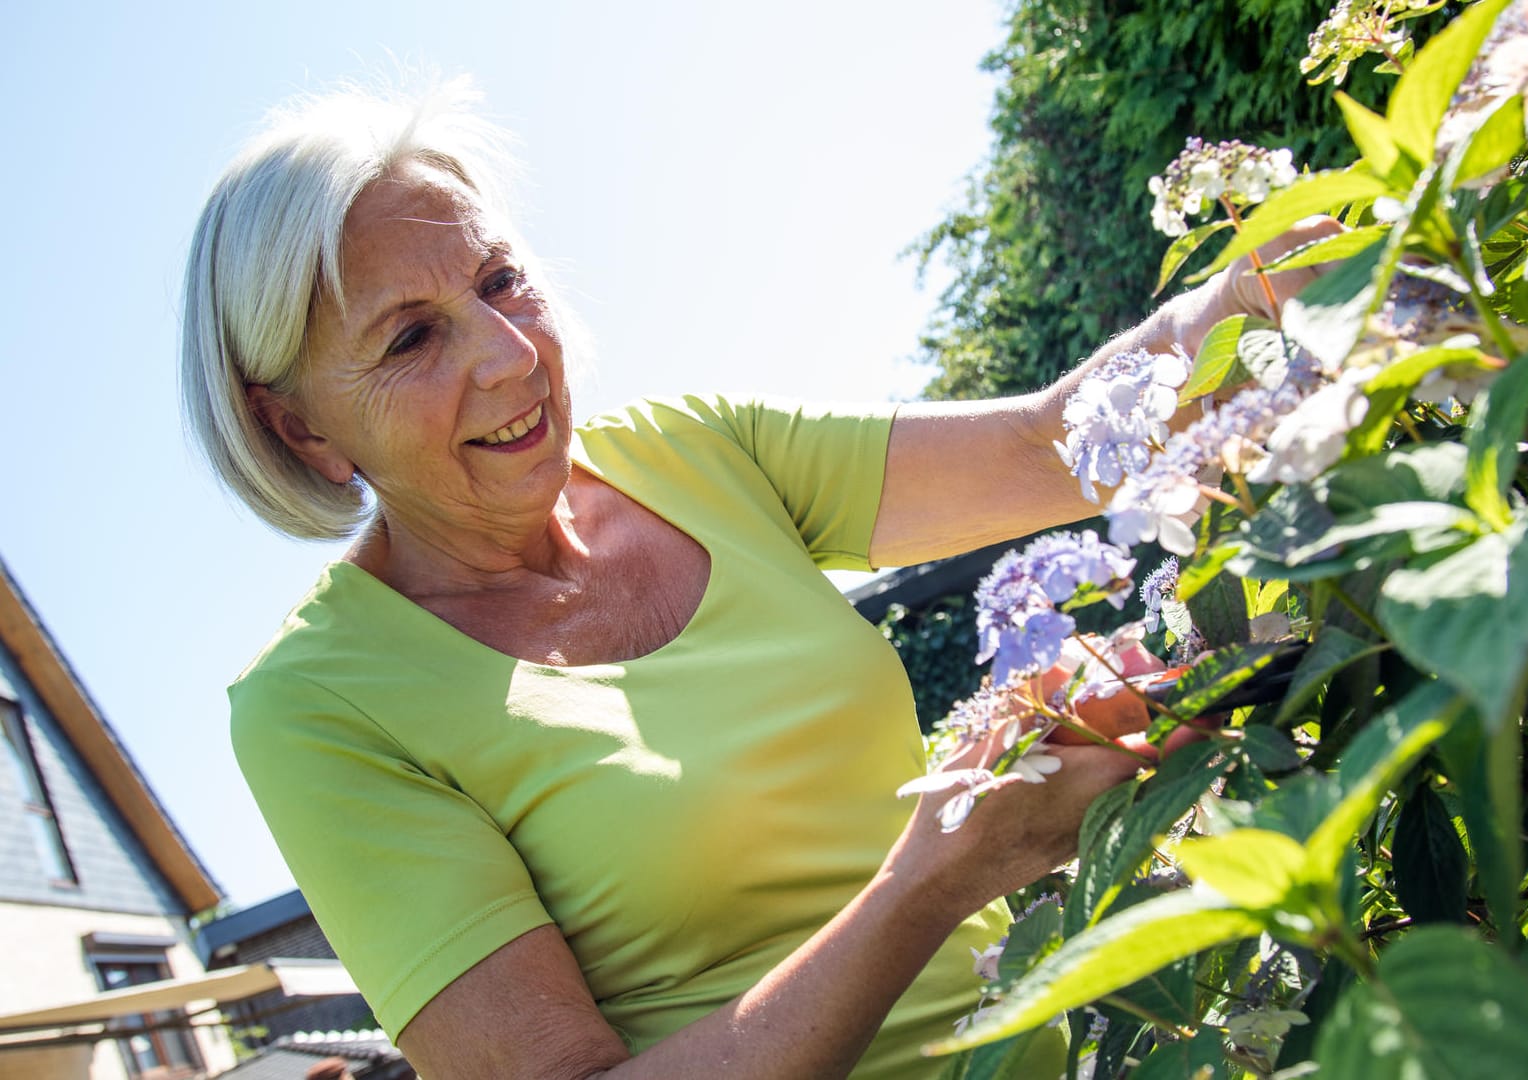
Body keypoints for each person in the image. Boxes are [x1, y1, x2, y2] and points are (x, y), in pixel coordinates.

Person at [183, 81, 1327, 1079]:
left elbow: (1049, 443)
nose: (510, 352)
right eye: (409, 340)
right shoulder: (321, 704)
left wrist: (1267, 287)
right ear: (301, 431)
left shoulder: (697, 454)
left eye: (500, 279)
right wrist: (931, 882)